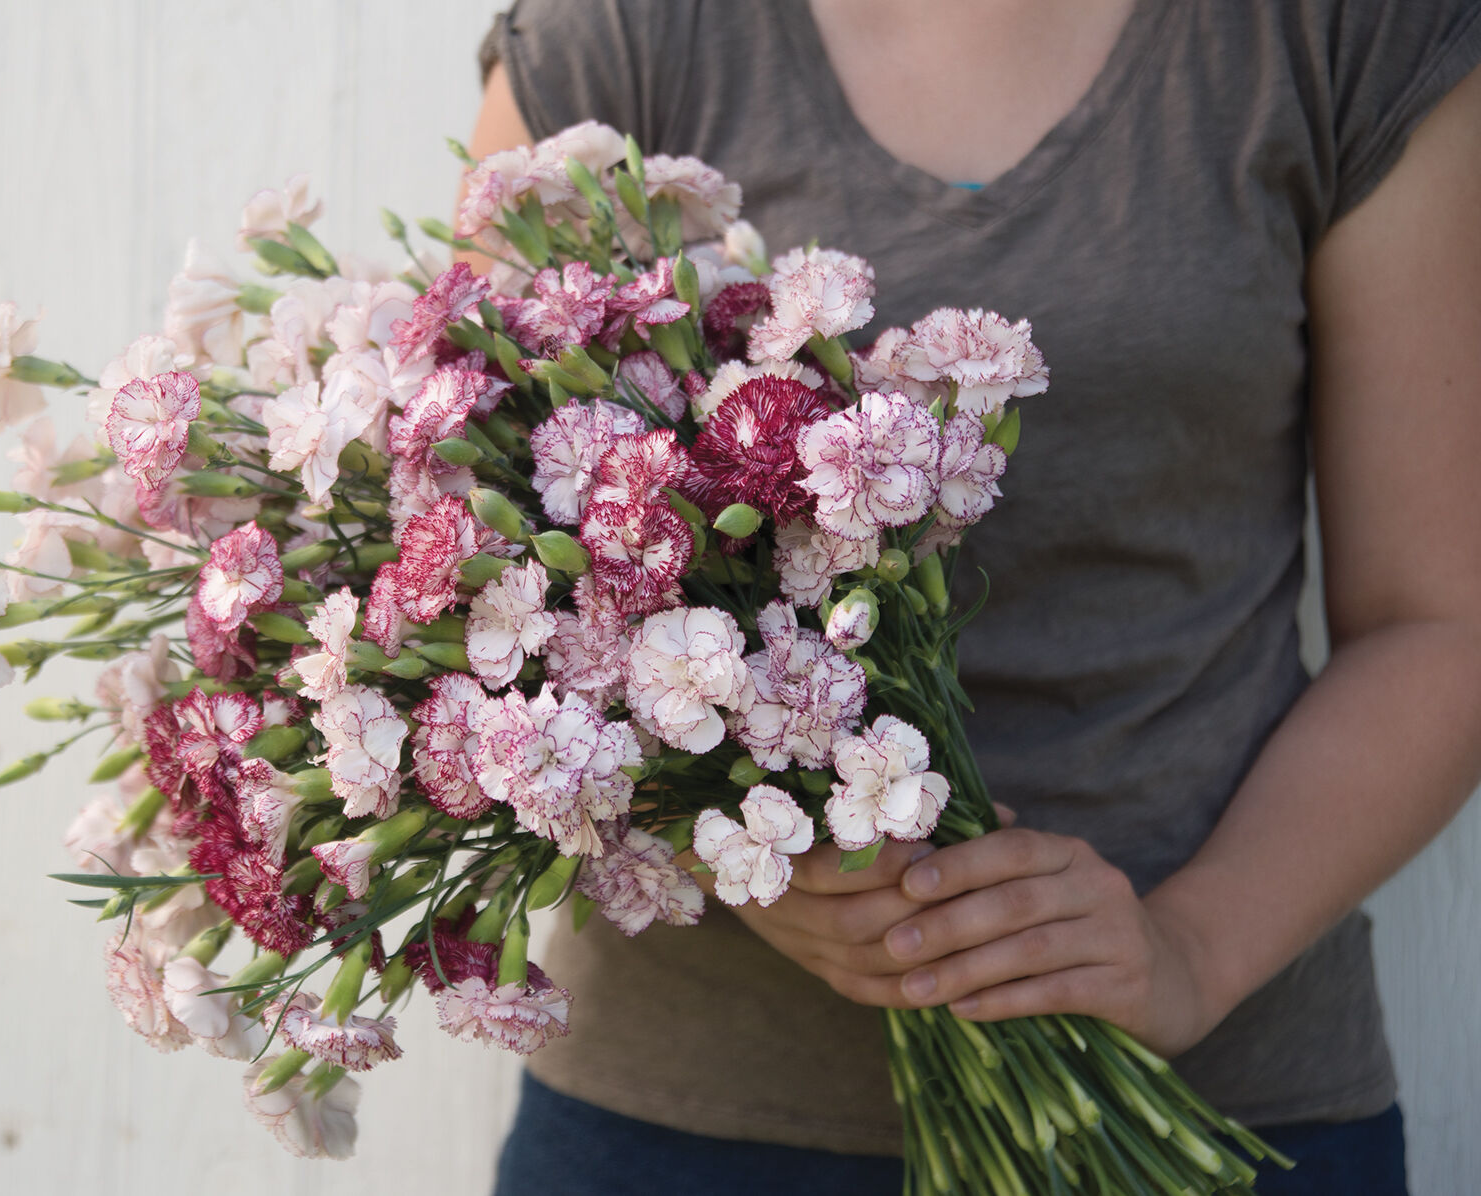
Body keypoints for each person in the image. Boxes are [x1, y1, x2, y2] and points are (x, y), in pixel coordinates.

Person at [463, 2, 1481, 1193]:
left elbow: (1439, 619)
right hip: (684, 1127)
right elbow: (477, 593)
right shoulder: (626, 35)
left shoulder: (1341, 36)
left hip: (1214, 1114)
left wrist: (1191, 949)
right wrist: (722, 842)